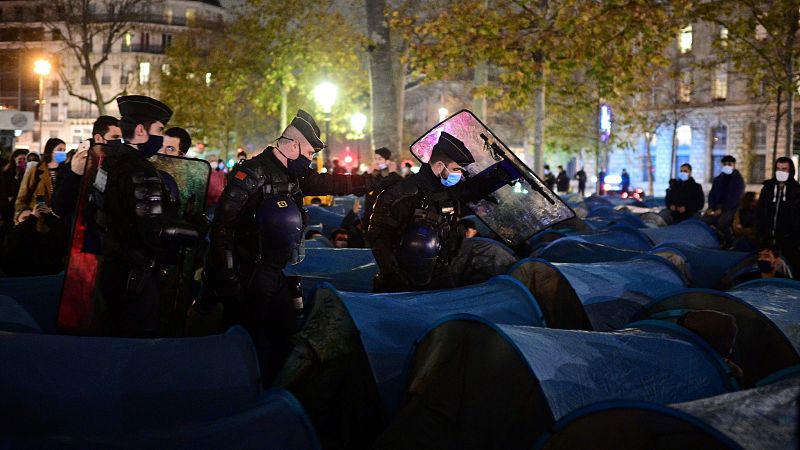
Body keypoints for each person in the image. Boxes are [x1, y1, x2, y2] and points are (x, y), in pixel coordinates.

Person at [189, 109, 373, 383]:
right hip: (247, 272)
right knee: (243, 338)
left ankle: (270, 391)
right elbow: (222, 228)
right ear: (292, 145)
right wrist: (227, 279)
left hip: (276, 271)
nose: (310, 160)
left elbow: (329, 182)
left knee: (283, 335)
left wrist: (370, 182)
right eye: (309, 153)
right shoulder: (250, 174)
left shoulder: (293, 174)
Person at [92, 95, 201, 337]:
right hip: (136, 278)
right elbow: (153, 230)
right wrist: (194, 231)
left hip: (109, 270)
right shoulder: (141, 170)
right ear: (141, 130)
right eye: (159, 130)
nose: (161, 137)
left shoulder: (109, 162)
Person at [367, 131, 519, 293]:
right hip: (403, 279)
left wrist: (506, 172)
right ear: (439, 166)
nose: (459, 175)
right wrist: (394, 276)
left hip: (440, 273)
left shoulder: (447, 190)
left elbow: (473, 190)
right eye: (456, 169)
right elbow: (378, 236)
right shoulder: (403, 192)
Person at [51, 116, 121, 220]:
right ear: (98, 138)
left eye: (121, 138)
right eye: (115, 137)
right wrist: (75, 174)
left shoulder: (118, 165)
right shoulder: (74, 165)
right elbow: (59, 208)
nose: (119, 142)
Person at [755, 156, 799, 276]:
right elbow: (760, 211)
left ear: (790, 171)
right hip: (766, 240)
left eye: (784, 169)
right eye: (778, 169)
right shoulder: (768, 188)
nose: (781, 172)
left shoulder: (796, 190)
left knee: (789, 271)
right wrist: (760, 232)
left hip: (788, 241)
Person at [1, 203, 68, 276]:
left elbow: (60, 235)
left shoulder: (41, 238)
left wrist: (49, 216)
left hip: (45, 279)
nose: (31, 219)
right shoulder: (12, 237)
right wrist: (32, 217)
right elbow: (18, 235)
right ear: (16, 221)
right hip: (20, 280)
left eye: (33, 218)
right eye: (25, 218)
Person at [14, 138, 64, 221]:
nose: (63, 153)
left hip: (57, 222)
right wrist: (22, 214)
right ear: (51, 151)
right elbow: (22, 197)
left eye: (64, 150)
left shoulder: (65, 171)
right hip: (38, 221)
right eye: (60, 149)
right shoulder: (36, 170)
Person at [704, 155, 745, 245]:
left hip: (731, 208)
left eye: (729, 164)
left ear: (734, 165)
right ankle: (715, 239)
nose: (727, 166)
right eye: (725, 164)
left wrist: (722, 209)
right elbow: (712, 194)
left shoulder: (738, 180)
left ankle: (730, 241)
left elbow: (735, 198)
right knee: (705, 220)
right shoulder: (718, 179)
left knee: (722, 222)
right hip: (716, 206)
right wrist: (711, 207)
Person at [0, 149, 28, 234]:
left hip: (21, 205)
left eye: (24, 159)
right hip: (8, 205)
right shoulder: (7, 172)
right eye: (20, 159)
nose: (22, 161)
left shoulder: (28, 172)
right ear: (14, 158)